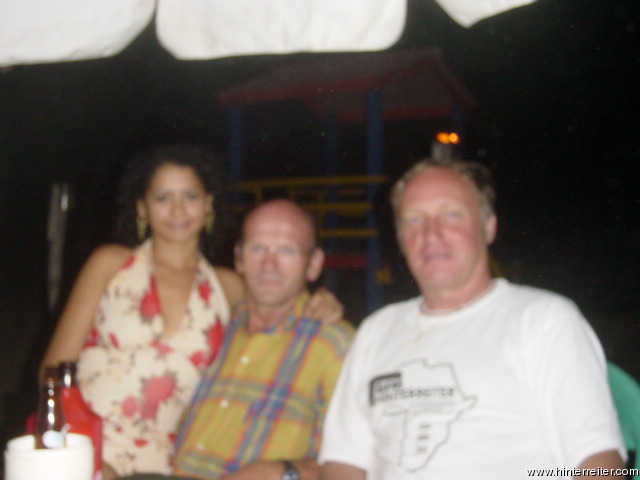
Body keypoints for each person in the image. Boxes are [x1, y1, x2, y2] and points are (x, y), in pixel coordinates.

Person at [40, 145, 344, 479]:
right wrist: (90, 459)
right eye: (163, 198)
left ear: (208, 204)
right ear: (142, 207)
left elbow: (280, 303)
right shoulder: (111, 264)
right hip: (86, 453)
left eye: (190, 196)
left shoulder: (226, 286)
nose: (177, 211)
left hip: (166, 467)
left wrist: (322, 302)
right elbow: (52, 374)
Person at [319, 158, 627, 480]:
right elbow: (343, 461)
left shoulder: (543, 320)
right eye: (414, 219)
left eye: (451, 215)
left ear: (488, 227)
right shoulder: (377, 331)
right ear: (400, 239)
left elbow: (599, 462)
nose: (431, 233)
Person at [120, 199, 354, 480]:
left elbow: (354, 459)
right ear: (239, 258)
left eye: (286, 250)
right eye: (257, 248)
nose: (269, 264)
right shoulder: (215, 324)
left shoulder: (334, 344)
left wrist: (280, 473)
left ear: (313, 264)